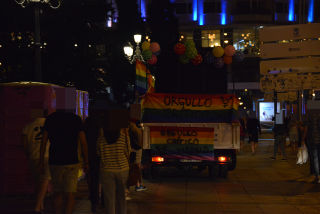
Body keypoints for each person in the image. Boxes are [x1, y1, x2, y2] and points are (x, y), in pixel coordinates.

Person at [40, 109, 89, 214]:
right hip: (72, 161)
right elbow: (83, 142)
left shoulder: (51, 119)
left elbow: (43, 142)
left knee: (57, 192)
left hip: (55, 160)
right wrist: (86, 161)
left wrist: (41, 162)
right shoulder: (76, 119)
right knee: (71, 193)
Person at [97, 109, 131, 214]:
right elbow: (128, 152)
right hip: (123, 169)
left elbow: (98, 154)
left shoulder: (101, 139)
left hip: (106, 170)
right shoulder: (122, 137)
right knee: (122, 197)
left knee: (109, 199)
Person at [22, 109, 51, 214]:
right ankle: (38, 206)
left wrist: (28, 153)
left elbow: (24, 144)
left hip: (33, 156)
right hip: (47, 155)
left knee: (38, 181)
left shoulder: (28, 127)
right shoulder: (50, 125)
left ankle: (40, 204)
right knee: (45, 180)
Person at [84, 110, 105, 213]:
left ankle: (94, 201)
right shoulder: (104, 122)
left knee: (93, 178)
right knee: (104, 178)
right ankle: (104, 201)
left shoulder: (87, 122)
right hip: (102, 154)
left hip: (90, 153)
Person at [128, 120, 147, 192]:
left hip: (131, 149)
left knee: (132, 166)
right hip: (137, 149)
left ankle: (135, 184)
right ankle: (138, 185)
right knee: (137, 166)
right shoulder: (137, 129)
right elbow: (139, 142)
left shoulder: (129, 127)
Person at [304, 111, 320, 183]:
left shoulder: (310, 115)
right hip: (315, 139)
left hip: (313, 140)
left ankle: (317, 175)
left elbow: (306, 128)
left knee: (315, 158)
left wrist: (302, 139)